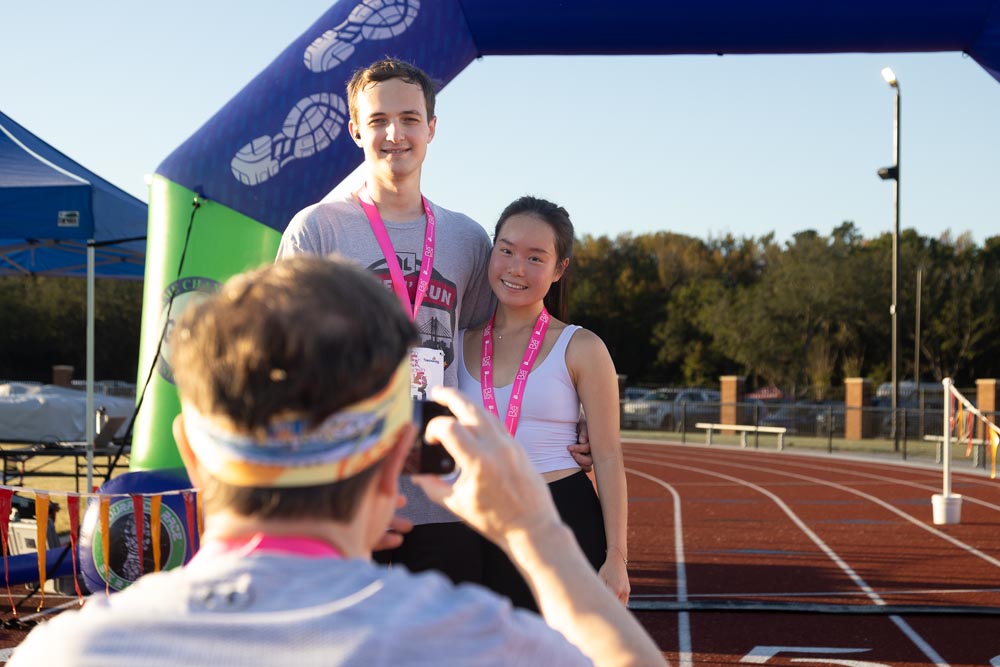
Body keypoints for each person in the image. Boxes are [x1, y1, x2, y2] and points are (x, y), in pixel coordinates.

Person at [9, 256, 665, 667]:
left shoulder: (69, 650)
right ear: (395, 462)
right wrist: (540, 534)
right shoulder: (473, 639)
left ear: (193, 454)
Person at [275, 58, 591, 584]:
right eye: (378, 120)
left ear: (432, 128)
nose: (394, 134)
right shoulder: (316, 231)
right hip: (348, 498)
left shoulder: (466, 239)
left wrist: (569, 411)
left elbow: (501, 345)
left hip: (445, 498)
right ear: (355, 130)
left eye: (409, 118)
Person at [458, 196, 630, 611]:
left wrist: (617, 558)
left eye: (536, 258)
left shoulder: (581, 347)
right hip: (476, 523)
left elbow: (608, 457)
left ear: (559, 269)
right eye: (506, 251)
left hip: (561, 517)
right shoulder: (457, 340)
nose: (517, 268)